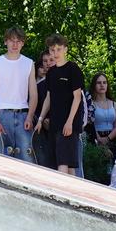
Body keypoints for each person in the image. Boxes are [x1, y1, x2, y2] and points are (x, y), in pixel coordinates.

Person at [0, 28, 37, 162]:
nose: (15, 44)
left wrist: (30, 117)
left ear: (23, 43)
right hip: (1, 115)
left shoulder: (29, 63)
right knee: (3, 160)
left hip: (23, 115)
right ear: (5, 42)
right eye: (12, 41)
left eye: (18, 41)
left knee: (27, 159)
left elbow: (33, 93)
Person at [40, 36, 85, 177]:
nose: (56, 53)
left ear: (65, 49)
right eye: (53, 50)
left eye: (59, 49)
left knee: (63, 162)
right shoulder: (51, 72)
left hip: (69, 123)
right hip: (55, 123)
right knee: (64, 163)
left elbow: (77, 97)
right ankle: (72, 194)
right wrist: (41, 118)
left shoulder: (73, 68)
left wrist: (70, 122)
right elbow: (49, 97)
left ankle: (60, 196)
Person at [86, 73, 116, 156]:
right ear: (94, 85)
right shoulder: (90, 104)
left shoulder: (114, 104)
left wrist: (107, 139)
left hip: (111, 139)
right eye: (99, 83)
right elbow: (89, 123)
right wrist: (99, 140)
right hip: (95, 138)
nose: (102, 85)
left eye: (104, 82)